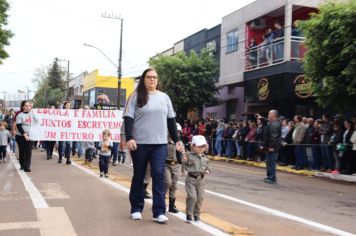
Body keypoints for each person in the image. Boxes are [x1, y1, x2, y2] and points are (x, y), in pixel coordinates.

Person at [123, 68, 183, 224]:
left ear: (158, 80)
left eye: (155, 77)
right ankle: (136, 208)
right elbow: (128, 118)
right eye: (149, 77)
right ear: (144, 79)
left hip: (160, 144)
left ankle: (159, 211)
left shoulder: (164, 97)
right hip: (140, 144)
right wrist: (129, 137)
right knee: (139, 176)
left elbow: (171, 120)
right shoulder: (135, 96)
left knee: (159, 176)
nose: (152, 80)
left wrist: (177, 140)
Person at [181, 135, 210, 222]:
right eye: (199, 146)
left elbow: (207, 167)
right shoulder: (188, 156)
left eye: (203, 146)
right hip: (191, 179)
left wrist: (207, 170)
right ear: (193, 146)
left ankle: (196, 215)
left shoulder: (205, 158)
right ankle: (189, 214)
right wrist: (183, 170)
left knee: (200, 198)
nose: (202, 148)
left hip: (201, 180)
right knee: (192, 197)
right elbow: (183, 162)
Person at [165, 123, 183, 214]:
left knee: (174, 186)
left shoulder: (179, 143)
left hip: (175, 166)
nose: (177, 134)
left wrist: (183, 169)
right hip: (165, 165)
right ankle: (161, 200)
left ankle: (172, 206)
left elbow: (182, 157)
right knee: (167, 182)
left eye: (178, 132)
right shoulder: (164, 141)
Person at [261, 110, 282, 184]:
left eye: (269, 114)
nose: (268, 115)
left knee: (271, 162)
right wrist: (262, 118)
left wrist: (271, 146)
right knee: (268, 162)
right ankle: (269, 176)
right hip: (270, 146)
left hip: (272, 147)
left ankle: (272, 178)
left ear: (274, 115)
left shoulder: (274, 124)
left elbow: (274, 137)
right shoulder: (274, 123)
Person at [16, 101, 33, 172]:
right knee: (22, 151)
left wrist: (34, 113)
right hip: (20, 136)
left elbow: (38, 121)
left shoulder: (32, 114)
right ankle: (22, 164)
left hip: (31, 135)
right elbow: (19, 126)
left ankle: (27, 166)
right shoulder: (19, 115)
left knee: (28, 151)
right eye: (26, 106)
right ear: (22, 107)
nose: (27, 107)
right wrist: (24, 134)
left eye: (29, 106)